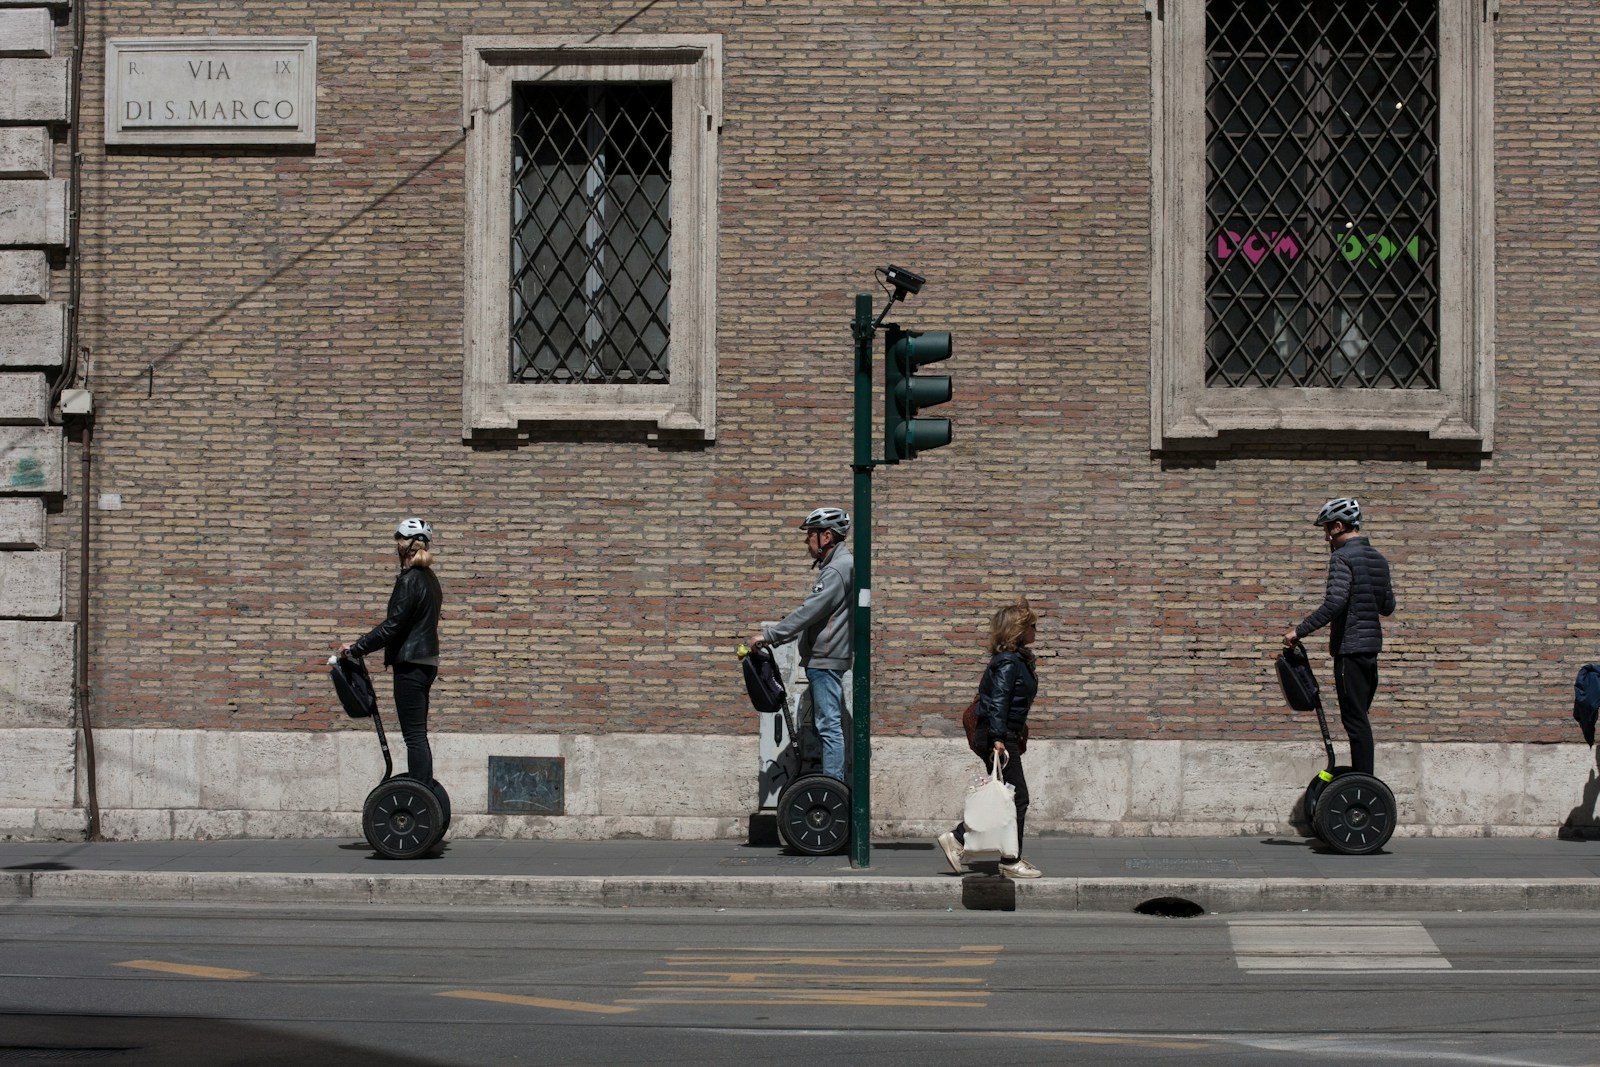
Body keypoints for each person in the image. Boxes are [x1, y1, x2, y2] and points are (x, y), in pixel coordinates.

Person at [1282, 497, 1395, 777]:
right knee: (1360, 719)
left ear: (1338, 526)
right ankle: (1363, 781)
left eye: (1326, 529)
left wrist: (1299, 630)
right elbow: (1387, 607)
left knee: (1355, 722)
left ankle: (1365, 786)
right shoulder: (1379, 559)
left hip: (1350, 649)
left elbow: (1335, 603)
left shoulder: (1341, 557)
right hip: (1371, 651)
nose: (1325, 537)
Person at [937, 598, 1042, 880]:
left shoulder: (1014, 660)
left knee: (1010, 797)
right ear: (1019, 630)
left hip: (1003, 733)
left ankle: (977, 845)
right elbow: (999, 701)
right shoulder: (1009, 662)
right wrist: (998, 738)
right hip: (999, 735)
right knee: (1016, 798)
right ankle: (1004, 857)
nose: (1036, 631)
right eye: (1033, 626)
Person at [747, 507, 853, 782]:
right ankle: (829, 785)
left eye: (810, 536)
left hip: (826, 658)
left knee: (829, 727)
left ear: (826, 536)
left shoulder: (837, 570)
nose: (807, 542)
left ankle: (832, 790)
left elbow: (810, 611)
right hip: (825, 657)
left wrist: (770, 635)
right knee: (825, 726)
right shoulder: (837, 566)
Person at [341, 518, 443, 785]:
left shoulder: (410, 580)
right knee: (418, 734)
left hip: (410, 664)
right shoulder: (430, 579)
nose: (396, 544)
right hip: (426, 662)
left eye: (398, 539)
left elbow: (392, 627)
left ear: (405, 545)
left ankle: (421, 792)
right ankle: (424, 790)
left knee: (414, 736)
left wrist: (357, 647)